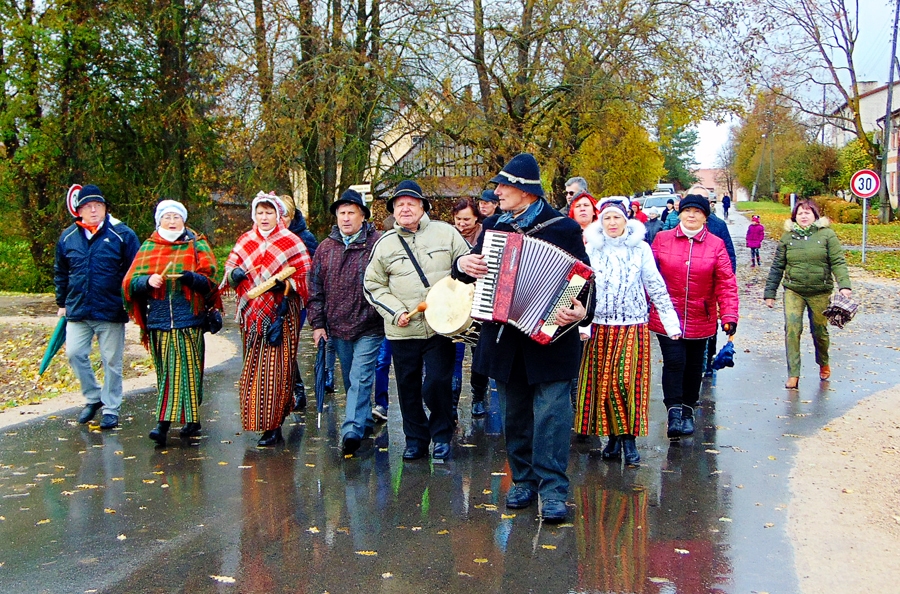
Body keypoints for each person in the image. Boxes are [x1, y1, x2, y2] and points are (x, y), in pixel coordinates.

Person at [455, 153, 596, 523]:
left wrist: (579, 311)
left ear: (526, 192)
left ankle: (553, 491)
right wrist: (462, 264)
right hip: (505, 339)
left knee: (552, 416)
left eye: (504, 186)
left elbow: (583, 281)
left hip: (551, 339)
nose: (497, 192)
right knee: (514, 415)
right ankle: (522, 480)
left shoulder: (562, 228)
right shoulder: (493, 227)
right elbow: (469, 271)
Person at [364, 180, 471, 461]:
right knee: (407, 387)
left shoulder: (446, 233)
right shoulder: (384, 245)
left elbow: (469, 268)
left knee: (437, 383)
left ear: (423, 206)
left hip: (441, 327)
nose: (405, 209)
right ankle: (415, 440)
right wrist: (396, 311)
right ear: (393, 211)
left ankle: (442, 436)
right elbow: (373, 286)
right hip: (403, 329)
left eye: (411, 203)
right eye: (399, 205)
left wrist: (459, 302)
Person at [575, 197, 680, 466]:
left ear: (626, 220)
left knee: (626, 383)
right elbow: (582, 288)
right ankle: (612, 439)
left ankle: (629, 440)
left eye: (617, 218)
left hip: (632, 325)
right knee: (604, 385)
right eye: (607, 218)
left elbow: (654, 284)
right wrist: (583, 324)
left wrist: (671, 323)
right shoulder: (592, 249)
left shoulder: (640, 248)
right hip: (600, 326)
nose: (612, 223)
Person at [122, 200, 220, 445]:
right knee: (168, 371)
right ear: (160, 221)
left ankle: (163, 424)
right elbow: (129, 283)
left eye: (177, 217)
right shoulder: (149, 246)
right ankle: (188, 419)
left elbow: (211, 283)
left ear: (184, 220)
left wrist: (192, 279)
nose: (172, 221)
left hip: (189, 319)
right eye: (167, 217)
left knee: (189, 371)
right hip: (159, 321)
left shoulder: (196, 244)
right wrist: (147, 282)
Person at [649, 192, 739, 439]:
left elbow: (726, 282)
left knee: (693, 365)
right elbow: (649, 275)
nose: (691, 215)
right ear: (679, 214)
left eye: (697, 212)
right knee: (674, 361)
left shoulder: (715, 245)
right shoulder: (662, 239)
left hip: (701, 315)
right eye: (687, 210)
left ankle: (688, 410)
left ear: (705, 217)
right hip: (668, 314)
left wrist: (729, 315)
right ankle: (674, 412)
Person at [225, 192, 312, 446]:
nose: (264, 217)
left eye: (269, 212)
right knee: (254, 371)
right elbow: (229, 272)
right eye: (260, 213)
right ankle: (261, 420)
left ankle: (274, 425)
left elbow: (306, 277)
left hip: (281, 315)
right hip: (252, 316)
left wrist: (286, 285)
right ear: (254, 215)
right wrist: (235, 275)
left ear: (278, 215)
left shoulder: (291, 241)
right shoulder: (245, 241)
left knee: (276, 372)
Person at [54, 184, 140, 430]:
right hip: (78, 309)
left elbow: (135, 271)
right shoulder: (68, 237)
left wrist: (133, 303)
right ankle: (93, 397)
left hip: (110, 309)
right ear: (78, 211)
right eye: (88, 206)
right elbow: (61, 271)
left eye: (98, 206)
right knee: (74, 353)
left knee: (112, 361)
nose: (93, 210)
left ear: (105, 208)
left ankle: (111, 408)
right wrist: (62, 302)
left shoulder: (122, 235)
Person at [308, 189, 384, 455]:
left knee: (360, 376)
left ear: (363, 216)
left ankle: (351, 429)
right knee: (352, 379)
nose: (346, 218)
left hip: (370, 325)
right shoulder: (325, 248)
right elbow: (315, 289)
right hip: (338, 327)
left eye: (352, 212)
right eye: (342, 213)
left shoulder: (377, 244)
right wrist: (318, 324)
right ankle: (364, 421)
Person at [764, 200, 851, 389]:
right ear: (794, 217)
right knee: (792, 329)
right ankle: (793, 374)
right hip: (794, 290)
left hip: (820, 291)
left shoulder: (827, 235)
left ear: (815, 215)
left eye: (807, 213)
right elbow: (777, 266)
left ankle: (823, 362)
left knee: (819, 331)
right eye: (800, 213)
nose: (804, 216)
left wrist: (844, 285)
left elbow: (838, 261)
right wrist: (770, 293)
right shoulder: (787, 238)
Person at [450, 198, 489, 418]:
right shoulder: (449, 235)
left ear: (476, 218)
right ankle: (452, 402)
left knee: (478, 353)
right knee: (454, 354)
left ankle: (478, 396)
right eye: (458, 219)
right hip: (454, 302)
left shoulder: (486, 236)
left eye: (466, 219)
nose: (462, 223)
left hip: (479, 302)